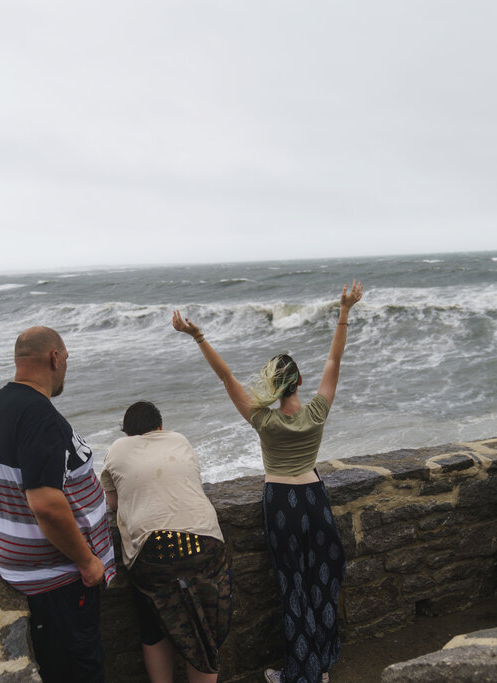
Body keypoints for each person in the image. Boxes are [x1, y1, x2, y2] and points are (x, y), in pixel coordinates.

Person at [171, 280, 363, 683]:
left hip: (282, 503)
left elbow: (226, 378)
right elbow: (334, 362)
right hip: (315, 499)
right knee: (322, 581)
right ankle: (321, 666)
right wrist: (344, 310)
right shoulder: (316, 412)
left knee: (293, 587)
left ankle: (300, 675)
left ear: (273, 385)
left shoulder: (265, 419)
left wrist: (199, 336)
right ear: (298, 381)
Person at [0, 326, 116, 683]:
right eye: (66, 357)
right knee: (80, 670)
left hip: (24, 571)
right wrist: (88, 562)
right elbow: (46, 505)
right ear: (54, 357)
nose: (66, 365)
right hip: (58, 582)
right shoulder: (40, 418)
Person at [100, 401, 232, 683]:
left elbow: (112, 503)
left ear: (127, 434)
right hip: (205, 542)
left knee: (154, 628)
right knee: (204, 626)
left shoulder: (116, 450)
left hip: (154, 551)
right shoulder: (179, 440)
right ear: (160, 427)